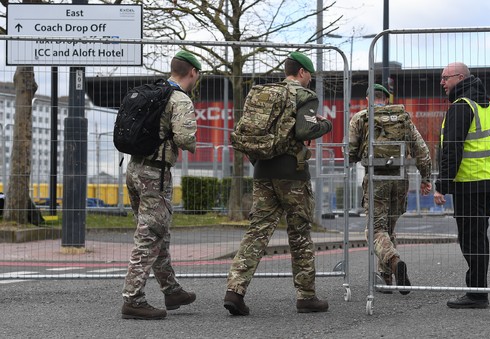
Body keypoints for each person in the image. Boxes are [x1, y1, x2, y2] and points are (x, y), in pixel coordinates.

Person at [224, 52, 332, 316]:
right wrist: (325, 125)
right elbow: (304, 131)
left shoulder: (265, 94)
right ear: (303, 73)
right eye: (310, 75)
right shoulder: (304, 96)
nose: (310, 80)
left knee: (257, 232)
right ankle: (306, 296)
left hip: (262, 171)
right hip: (292, 174)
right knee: (299, 234)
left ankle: (234, 291)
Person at [121, 50, 201, 320]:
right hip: (155, 173)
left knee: (157, 231)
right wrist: (191, 137)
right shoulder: (179, 99)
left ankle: (171, 289)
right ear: (193, 72)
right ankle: (133, 299)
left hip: (133, 169)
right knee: (150, 236)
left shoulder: (153, 92)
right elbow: (185, 138)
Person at [434, 62, 490, 309]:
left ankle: (477, 293)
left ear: (459, 78)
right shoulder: (484, 104)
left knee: (470, 240)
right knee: (477, 237)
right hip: (487, 182)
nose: (442, 83)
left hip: (470, 184)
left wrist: (441, 185)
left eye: (445, 78)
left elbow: (452, 150)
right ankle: (477, 289)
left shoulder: (462, 107)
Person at [348, 83, 432, 294]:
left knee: (375, 230)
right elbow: (421, 149)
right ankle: (386, 277)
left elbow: (350, 151)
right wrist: (426, 178)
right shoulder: (403, 118)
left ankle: (394, 261)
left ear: (368, 99)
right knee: (390, 228)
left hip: (376, 179)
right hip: (400, 178)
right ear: (386, 99)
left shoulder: (361, 117)